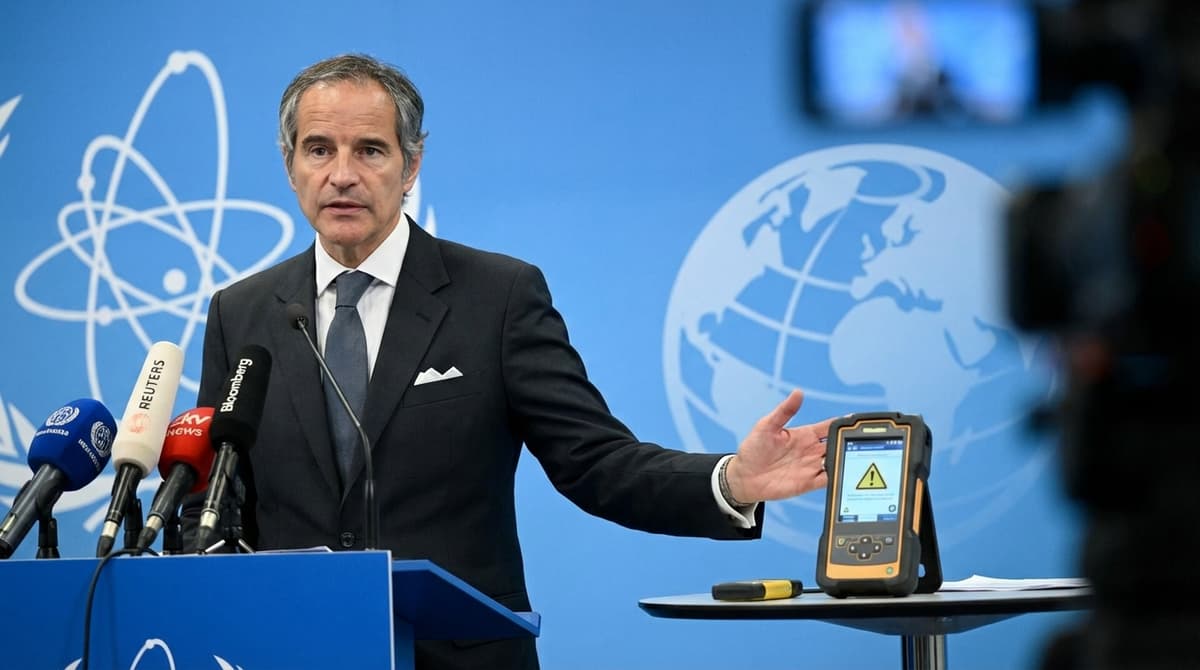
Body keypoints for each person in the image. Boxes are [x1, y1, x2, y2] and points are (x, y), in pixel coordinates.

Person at [184, 53, 833, 670]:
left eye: (371, 150)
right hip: (293, 654)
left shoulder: (496, 297)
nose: (342, 173)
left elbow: (596, 463)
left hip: (461, 659)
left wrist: (731, 483)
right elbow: (211, 498)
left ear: (410, 166)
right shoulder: (242, 314)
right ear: (290, 164)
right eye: (319, 149)